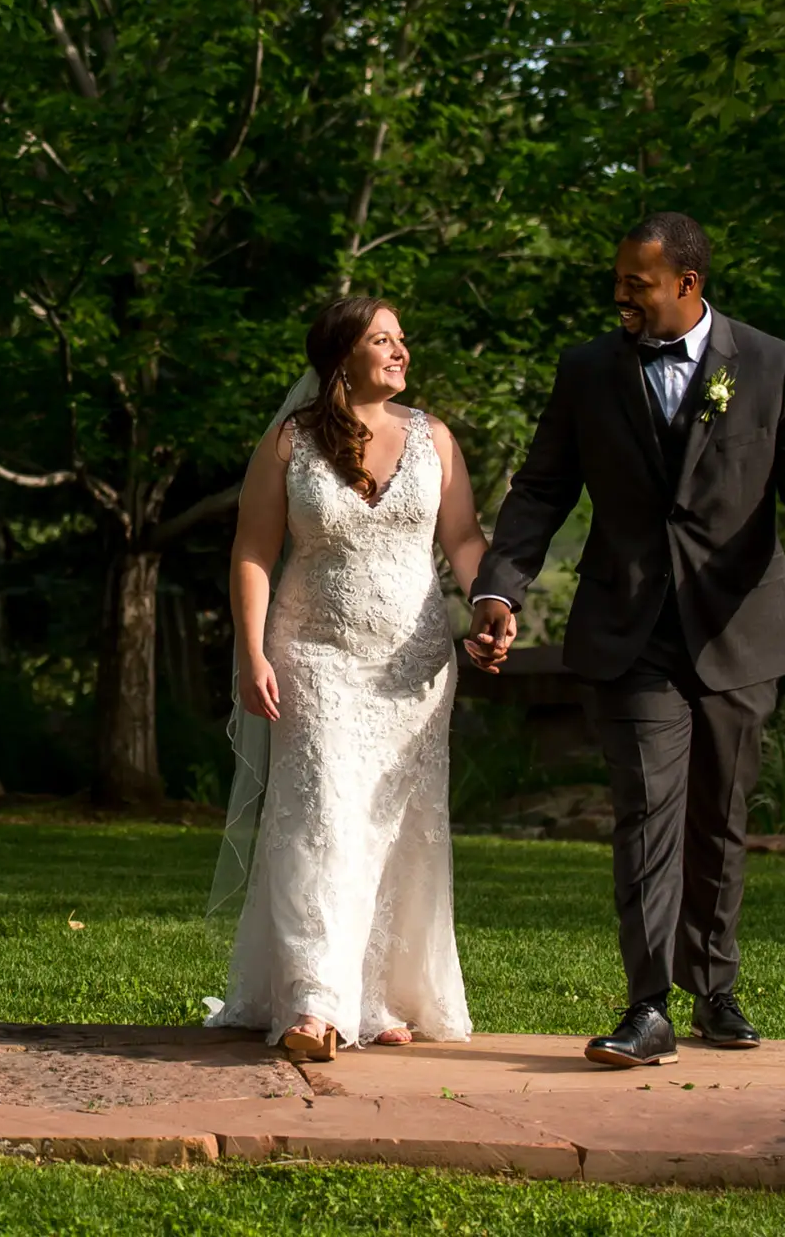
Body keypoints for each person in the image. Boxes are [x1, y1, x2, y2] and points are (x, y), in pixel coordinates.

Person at [467, 213, 785, 1069]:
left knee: (719, 816)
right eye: (617, 280)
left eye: (635, 282)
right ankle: (648, 1006)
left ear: (686, 284)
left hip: (739, 627)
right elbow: (540, 490)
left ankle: (714, 987)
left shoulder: (770, 364)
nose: (619, 295)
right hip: (630, 628)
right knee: (646, 810)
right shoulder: (587, 371)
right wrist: (500, 586)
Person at [207, 296, 485, 1061]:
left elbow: (461, 539)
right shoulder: (288, 445)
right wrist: (251, 651)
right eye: (382, 339)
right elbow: (253, 551)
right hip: (316, 656)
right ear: (341, 357)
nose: (400, 351)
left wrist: (491, 603)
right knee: (324, 815)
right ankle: (314, 1000)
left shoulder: (436, 440)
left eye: (403, 338)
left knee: (398, 829)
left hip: (415, 664)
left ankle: (379, 994)